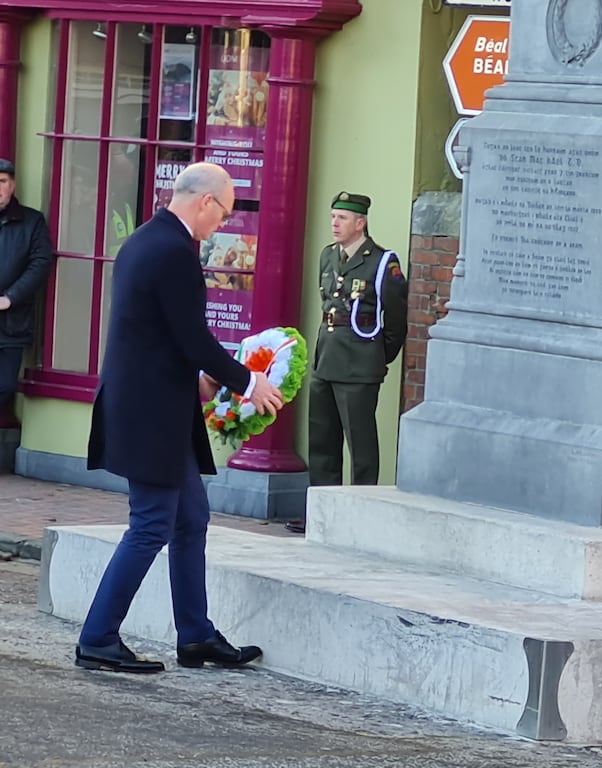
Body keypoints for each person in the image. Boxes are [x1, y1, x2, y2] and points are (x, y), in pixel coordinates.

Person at [76, 162, 284, 673]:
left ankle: (195, 636)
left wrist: (197, 381)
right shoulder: (173, 251)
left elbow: (153, 333)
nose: (224, 224)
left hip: (156, 405)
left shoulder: (148, 240)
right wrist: (248, 381)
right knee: (149, 526)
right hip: (151, 415)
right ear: (206, 202)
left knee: (191, 520)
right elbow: (192, 338)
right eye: (226, 213)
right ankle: (97, 637)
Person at [286, 192, 408, 534]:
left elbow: (396, 322)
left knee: (361, 444)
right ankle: (323, 515)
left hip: (359, 363)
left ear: (360, 222)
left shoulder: (383, 262)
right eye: (333, 217)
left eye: (342, 218)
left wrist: (376, 358)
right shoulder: (328, 256)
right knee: (322, 441)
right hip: (326, 359)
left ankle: (362, 515)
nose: (334, 224)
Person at [0, 158, 54, 424]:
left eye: (2, 182)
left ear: (13, 185)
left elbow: (41, 262)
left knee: (6, 385)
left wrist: (11, 298)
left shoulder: (32, 221)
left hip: (12, 322)